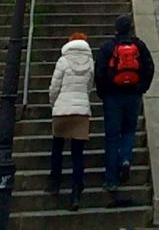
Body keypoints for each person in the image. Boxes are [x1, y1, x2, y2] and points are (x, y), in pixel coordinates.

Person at [94, 13, 154, 205]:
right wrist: (141, 88)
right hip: (133, 96)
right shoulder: (139, 46)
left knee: (112, 137)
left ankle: (111, 180)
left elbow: (100, 72)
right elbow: (149, 67)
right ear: (130, 28)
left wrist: (103, 92)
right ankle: (126, 159)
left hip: (113, 97)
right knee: (129, 131)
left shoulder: (108, 47)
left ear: (116, 29)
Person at [47, 31, 95, 210]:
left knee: (57, 148)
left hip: (62, 109)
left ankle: (55, 183)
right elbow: (90, 86)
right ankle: (75, 194)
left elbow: (54, 86)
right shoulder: (90, 62)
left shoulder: (63, 61)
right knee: (77, 154)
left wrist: (54, 104)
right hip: (81, 111)